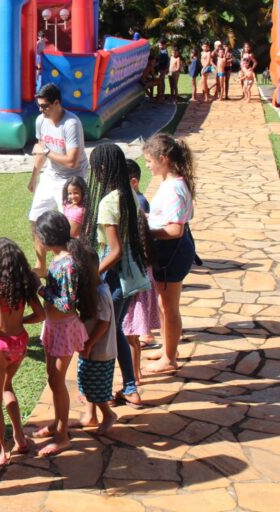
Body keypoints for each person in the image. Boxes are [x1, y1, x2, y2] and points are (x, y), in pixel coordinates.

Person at [81, 143, 147, 409]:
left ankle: (120, 388)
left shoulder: (109, 202)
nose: (93, 174)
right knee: (115, 328)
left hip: (115, 277)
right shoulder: (129, 194)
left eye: (95, 168)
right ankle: (129, 387)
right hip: (133, 275)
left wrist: (92, 275)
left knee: (108, 330)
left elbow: (115, 250)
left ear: (103, 168)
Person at [32, 211, 98, 456]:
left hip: (64, 328)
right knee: (52, 379)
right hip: (54, 326)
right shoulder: (59, 258)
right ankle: (58, 423)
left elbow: (67, 303)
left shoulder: (67, 264)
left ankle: (62, 437)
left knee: (57, 383)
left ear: (46, 237)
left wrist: (40, 290)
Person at [0, 238, 44, 465]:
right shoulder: (24, 285)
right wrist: (20, 322)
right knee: (7, 387)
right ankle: (20, 439)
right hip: (19, 345)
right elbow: (41, 314)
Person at [142, 134, 196, 374]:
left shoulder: (174, 188)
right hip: (167, 251)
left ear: (163, 159)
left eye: (149, 161)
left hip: (171, 253)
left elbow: (175, 229)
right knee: (163, 305)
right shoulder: (169, 181)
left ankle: (170, 358)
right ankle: (167, 348)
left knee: (169, 306)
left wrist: (145, 231)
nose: (147, 165)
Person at [28, 83, 90, 276]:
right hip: (50, 175)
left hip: (72, 180)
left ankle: (74, 266)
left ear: (57, 103)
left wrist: (46, 151)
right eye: (39, 106)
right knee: (35, 219)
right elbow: (40, 150)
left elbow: (72, 161)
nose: (41, 110)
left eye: (44, 106)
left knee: (71, 228)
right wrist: (34, 176)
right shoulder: (41, 121)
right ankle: (41, 266)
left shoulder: (71, 123)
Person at [72, 248, 118, 434]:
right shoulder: (96, 289)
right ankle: (90, 415)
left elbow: (103, 324)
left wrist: (89, 344)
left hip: (99, 350)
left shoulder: (99, 293)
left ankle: (108, 414)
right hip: (91, 348)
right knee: (86, 382)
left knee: (96, 388)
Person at [123, 159, 160, 382]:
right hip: (140, 287)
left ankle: (133, 378)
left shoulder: (137, 209)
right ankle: (134, 375)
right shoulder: (140, 218)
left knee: (130, 336)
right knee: (132, 336)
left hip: (133, 291)